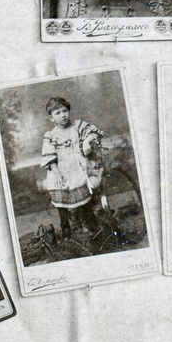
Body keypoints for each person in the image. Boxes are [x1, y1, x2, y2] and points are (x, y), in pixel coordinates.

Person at [40, 96, 105, 237]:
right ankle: (66, 229)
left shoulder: (77, 126)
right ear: (51, 118)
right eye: (57, 113)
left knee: (85, 199)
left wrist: (86, 141)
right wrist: (57, 173)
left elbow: (94, 132)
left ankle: (93, 229)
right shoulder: (51, 135)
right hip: (60, 171)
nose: (63, 115)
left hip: (77, 169)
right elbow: (49, 156)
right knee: (61, 201)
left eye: (65, 111)